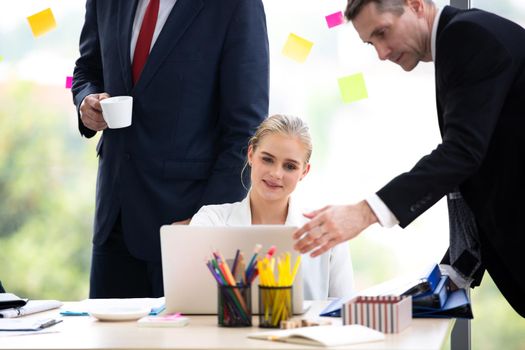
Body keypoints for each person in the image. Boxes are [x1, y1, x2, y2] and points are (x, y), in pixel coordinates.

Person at [293, 0, 525, 317]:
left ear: (415, 5)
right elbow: (481, 165)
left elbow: (462, 154)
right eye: (371, 43)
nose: (382, 52)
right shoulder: (461, 37)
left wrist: (364, 213)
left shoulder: (466, 37)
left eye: (383, 33)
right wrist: (456, 269)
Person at [71, 0, 269, 298]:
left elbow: (245, 133)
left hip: (188, 226)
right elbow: (87, 69)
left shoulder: (235, 5)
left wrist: (207, 221)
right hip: (114, 220)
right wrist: (85, 101)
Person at [191, 115, 354, 300]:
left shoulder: (325, 231)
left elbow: (343, 310)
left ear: (304, 172)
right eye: (267, 159)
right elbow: (193, 296)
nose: (276, 173)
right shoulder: (210, 221)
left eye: (290, 166)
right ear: (251, 154)